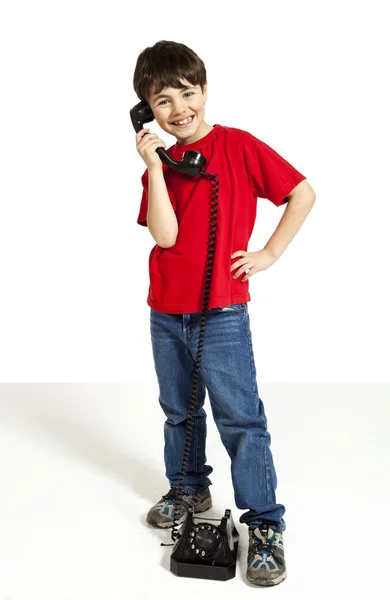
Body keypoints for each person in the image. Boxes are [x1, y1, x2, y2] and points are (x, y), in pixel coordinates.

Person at [132, 40, 316, 587]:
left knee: (239, 417)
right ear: (146, 110)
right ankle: (189, 485)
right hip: (167, 312)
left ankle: (264, 524)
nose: (178, 109)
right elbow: (166, 235)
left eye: (188, 94)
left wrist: (269, 253)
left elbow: (301, 193)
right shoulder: (158, 169)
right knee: (178, 410)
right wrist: (155, 167)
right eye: (162, 102)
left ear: (205, 91)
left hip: (223, 311)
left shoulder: (237, 147)